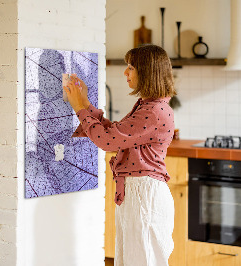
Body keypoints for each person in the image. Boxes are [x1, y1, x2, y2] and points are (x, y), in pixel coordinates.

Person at [64, 44, 176, 266]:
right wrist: (85, 103)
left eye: (131, 67)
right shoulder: (149, 106)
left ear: (147, 72)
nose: (125, 72)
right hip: (139, 193)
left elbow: (107, 141)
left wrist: (79, 108)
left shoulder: (153, 111)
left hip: (144, 195)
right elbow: (114, 133)